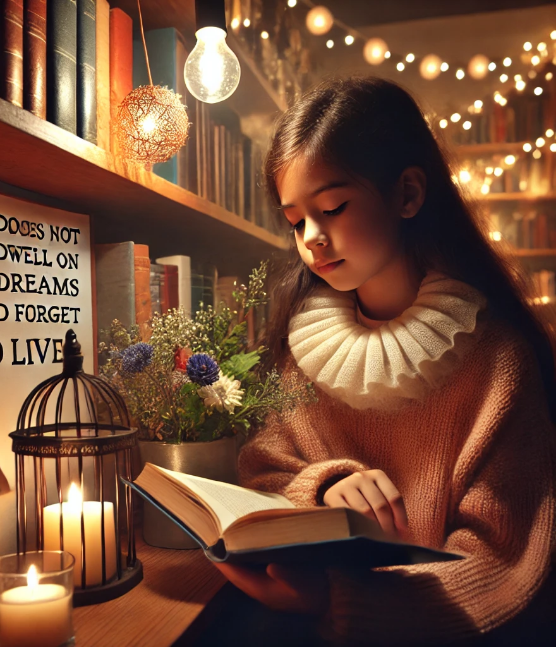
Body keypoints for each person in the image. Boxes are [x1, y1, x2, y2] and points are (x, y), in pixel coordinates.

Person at [213, 77, 556, 645]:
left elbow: (505, 565)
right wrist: (325, 488)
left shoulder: (497, 362)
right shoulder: (304, 350)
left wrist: (340, 598)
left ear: (408, 195)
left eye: (332, 207)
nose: (311, 240)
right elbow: (263, 471)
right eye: (296, 221)